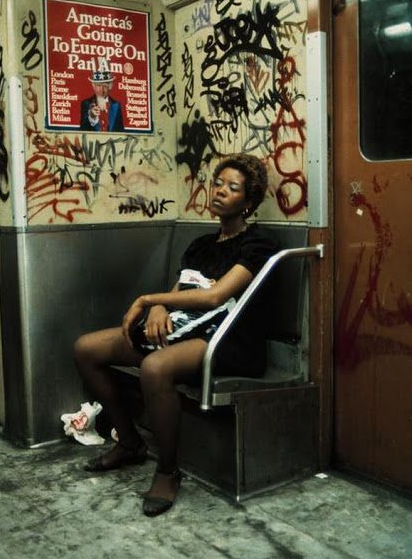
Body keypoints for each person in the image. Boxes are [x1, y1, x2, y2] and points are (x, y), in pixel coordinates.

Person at [74, 153, 276, 516]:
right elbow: (179, 292)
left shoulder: (259, 245)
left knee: (155, 368)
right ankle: (130, 442)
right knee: (87, 348)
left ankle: (168, 470)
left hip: (228, 340)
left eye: (233, 188)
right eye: (217, 183)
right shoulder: (199, 245)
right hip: (189, 329)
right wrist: (158, 308)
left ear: (249, 202)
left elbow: (215, 296)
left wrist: (148, 298)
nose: (220, 192)